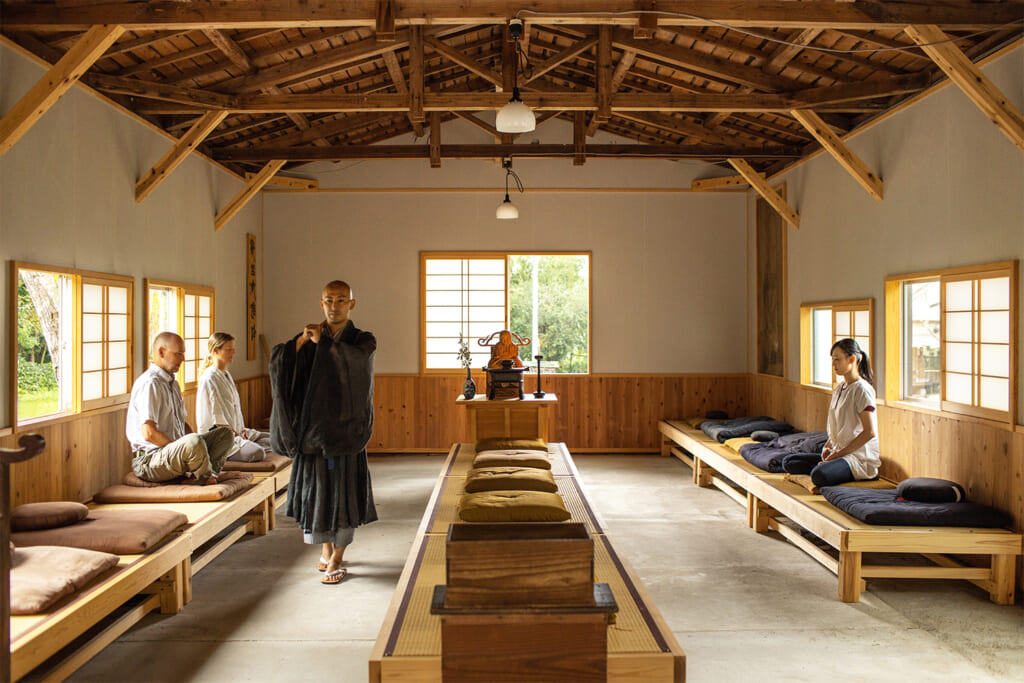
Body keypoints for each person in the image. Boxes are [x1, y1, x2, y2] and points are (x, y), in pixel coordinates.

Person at [269, 281, 377, 585]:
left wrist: (324, 345)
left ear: (352, 304)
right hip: (312, 433)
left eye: (341, 300)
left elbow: (357, 365)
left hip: (345, 432)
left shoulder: (362, 340)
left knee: (343, 495)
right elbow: (280, 361)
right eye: (329, 300)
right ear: (321, 303)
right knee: (316, 494)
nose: (334, 306)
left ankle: (337, 558)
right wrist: (298, 347)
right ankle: (326, 549)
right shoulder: (309, 337)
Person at [126, 332, 235, 485]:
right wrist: (183, 448)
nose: (183, 359)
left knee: (225, 435)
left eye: (183, 354)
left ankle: (210, 473)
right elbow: (149, 434)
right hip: (151, 460)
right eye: (178, 354)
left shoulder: (173, 383)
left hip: (174, 453)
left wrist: (194, 448)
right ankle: (204, 478)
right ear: (161, 352)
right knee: (193, 443)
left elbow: (183, 424)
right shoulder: (150, 383)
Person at [782, 338, 879, 487]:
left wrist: (838, 455)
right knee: (789, 462)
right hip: (839, 452)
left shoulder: (862, 390)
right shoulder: (840, 388)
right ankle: (828, 467)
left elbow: (870, 432)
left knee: (819, 475)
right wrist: (828, 447)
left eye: (837, 360)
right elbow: (836, 428)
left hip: (857, 458)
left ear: (851, 359)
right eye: (832, 360)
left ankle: (832, 470)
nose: (833, 365)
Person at [197, 332, 272, 463]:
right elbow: (218, 421)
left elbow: (234, 410)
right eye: (229, 350)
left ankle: (249, 444)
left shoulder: (226, 375)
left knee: (277, 440)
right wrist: (238, 435)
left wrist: (241, 432)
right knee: (257, 452)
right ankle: (222, 455)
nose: (233, 353)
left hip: (237, 433)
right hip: (221, 439)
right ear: (216, 351)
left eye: (233, 349)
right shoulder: (210, 378)